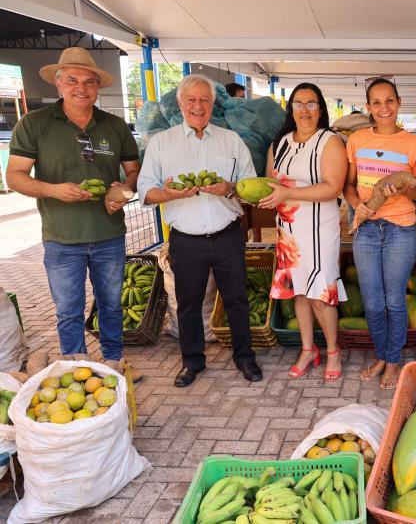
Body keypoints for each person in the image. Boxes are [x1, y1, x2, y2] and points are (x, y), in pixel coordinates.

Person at [6, 47, 142, 381]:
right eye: (72, 80)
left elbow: (135, 173)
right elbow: (14, 176)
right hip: (61, 239)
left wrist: (121, 191)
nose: (81, 87)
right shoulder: (35, 124)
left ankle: (113, 363)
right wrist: (53, 190)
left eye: (89, 81)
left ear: (98, 86)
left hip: (109, 235)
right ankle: (77, 369)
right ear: (58, 82)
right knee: (68, 311)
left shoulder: (115, 125)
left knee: (111, 306)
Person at [138, 74, 262, 387]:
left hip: (227, 233)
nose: (198, 106)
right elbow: (145, 190)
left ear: (212, 104)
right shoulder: (161, 143)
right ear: (180, 104)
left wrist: (231, 188)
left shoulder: (230, 140)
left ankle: (245, 358)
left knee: (236, 300)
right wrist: (169, 194)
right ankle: (192, 362)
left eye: (204, 100)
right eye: (191, 100)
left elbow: (251, 187)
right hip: (186, 239)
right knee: (188, 304)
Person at [344, 78, 416, 389]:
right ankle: (381, 354)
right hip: (366, 229)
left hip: (400, 231)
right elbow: (349, 184)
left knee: (394, 300)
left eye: (389, 100)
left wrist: (405, 188)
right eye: (377, 102)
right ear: (368, 107)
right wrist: (359, 206)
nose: (384, 108)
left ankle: (392, 360)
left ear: (399, 102)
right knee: (372, 302)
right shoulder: (356, 140)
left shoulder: (415, 145)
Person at [259, 83, 348, 382]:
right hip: (288, 228)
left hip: (320, 227)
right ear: (291, 108)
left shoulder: (330, 142)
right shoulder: (280, 144)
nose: (305, 109)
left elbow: (333, 188)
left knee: (320, 294)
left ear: (320, 109)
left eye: (311, 104)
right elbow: (271, 183)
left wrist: (287, 194)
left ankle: (333, 350)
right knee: (298, 291)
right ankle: (309, 349)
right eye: (299, 103)